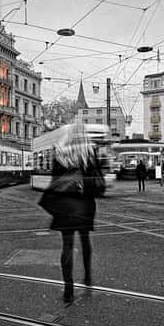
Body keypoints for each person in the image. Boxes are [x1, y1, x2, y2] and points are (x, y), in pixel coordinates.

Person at [39, 124, 104, 303]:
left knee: (67, 245)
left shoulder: (59, 153)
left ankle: (68, 288)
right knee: (85, 240)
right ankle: (88, 276)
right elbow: (98, 181)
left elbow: (54, 182)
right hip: (84, 204)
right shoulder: (89, 153)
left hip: (65, 206)